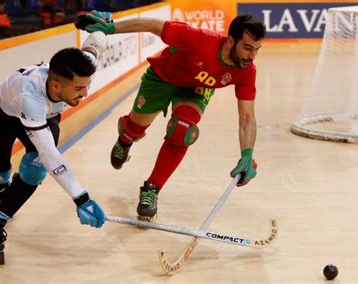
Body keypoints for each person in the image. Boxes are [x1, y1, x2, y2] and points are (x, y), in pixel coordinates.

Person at [75, 13, 265, 222]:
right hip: (163, 77)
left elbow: (247, 117)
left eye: (256, 49)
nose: (251, 56)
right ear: (231, 41)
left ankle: (151, 190)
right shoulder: (199, 39)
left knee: (182, 132)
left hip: (196, 89)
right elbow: (152, 25)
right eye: (247, 48)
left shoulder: (247, 71)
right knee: (135, 128)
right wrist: (109, 28)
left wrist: (247, 154)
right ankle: (126, 137)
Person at [0, 29, 110, 266]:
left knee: (36, 168)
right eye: (79, 89)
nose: (85, 93)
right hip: (3, 113)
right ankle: (3, 194)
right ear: (56, 85)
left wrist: (102, 25)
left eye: (86, 86)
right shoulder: (30, 96)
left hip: (45, 116)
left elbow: (96, 42)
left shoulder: (80, 69)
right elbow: (50, 154)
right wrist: (82, 199)